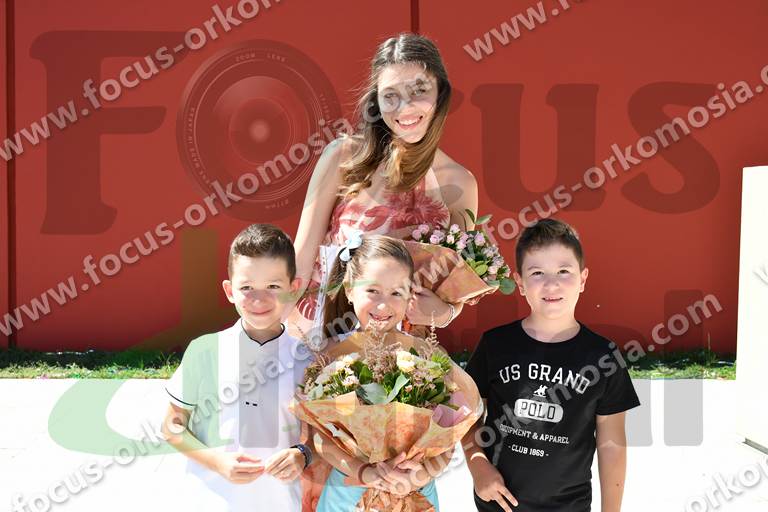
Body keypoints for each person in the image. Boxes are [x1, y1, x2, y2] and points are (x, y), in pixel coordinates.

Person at [289, 32, 479, 340]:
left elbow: (455, 283)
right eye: (390, 95)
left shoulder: (460, 183)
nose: (405, 107)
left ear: (441, 93)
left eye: (419, 90)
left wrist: (444, 314)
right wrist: (270, 335)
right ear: (376, 100)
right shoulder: (343, 157)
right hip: (321, 334)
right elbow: (302, 255)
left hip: (402, 352)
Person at [462, 218, 641, 512]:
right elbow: (467, 416)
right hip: (498, 504)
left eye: (563, 271)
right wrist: (478, 466)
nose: (551, 283)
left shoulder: (604, 357)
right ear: (520, 283)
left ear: (583, 279)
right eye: (537, 273)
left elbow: (612, 446)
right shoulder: (495, 345)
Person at [161, 224, 314, 511]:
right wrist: (216, 461)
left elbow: (321, 437)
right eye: (247, 288)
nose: (259, 299)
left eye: (273, 286)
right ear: (230, 290)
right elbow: (171, 426)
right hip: (209, 501)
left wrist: (303, 454)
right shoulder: (204, 351)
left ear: (293, 289)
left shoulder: (307, 360)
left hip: (281, 503)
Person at [310, 234, 455, 511]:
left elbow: (447, 439)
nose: (383, 305)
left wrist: (420, 475)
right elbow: (320, 438)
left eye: (396, 293)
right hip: (348, 493)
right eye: (372, 291)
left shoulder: (428, 357)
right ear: (349, 289)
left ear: (410, 296)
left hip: (415, 493)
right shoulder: (329, 355)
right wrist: (364, 471)